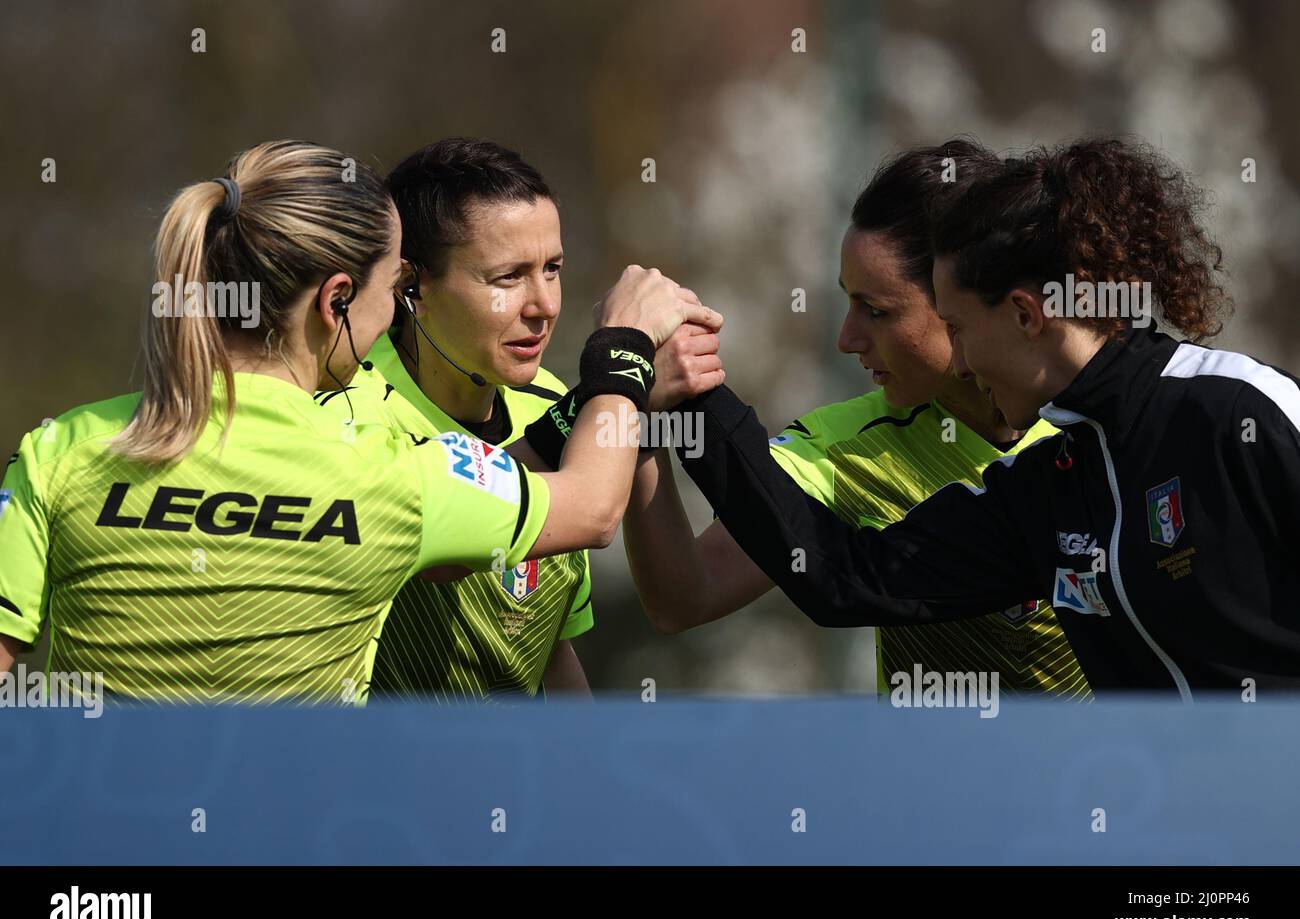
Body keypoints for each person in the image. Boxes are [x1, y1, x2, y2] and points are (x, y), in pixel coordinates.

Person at [0, 140, 719, 703]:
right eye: (392, 288)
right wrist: (623, 355)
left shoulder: (61, 447)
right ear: (337, 301)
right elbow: (591, 509)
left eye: (553, 269)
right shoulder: (385, 470)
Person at [669, 137, 1300, 697]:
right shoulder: (1048, 484)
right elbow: (848, 578)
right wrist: (697, 396)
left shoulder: (1239, 412)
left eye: (959, 328)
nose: (962, 361)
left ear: (1026, 315)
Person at [616, 141, 1089, 697]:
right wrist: (641, 414)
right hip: (930, 785)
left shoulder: (1102, 422)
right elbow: (683, 598)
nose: (847, 339)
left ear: (957, 297)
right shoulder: (848, 445)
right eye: (848, 303)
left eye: (878, 311)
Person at [315, 138, 596, 701]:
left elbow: (552, 648)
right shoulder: (346, 417)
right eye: (508, 277)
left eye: (553, 269)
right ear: (409, 286)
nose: (544, 305)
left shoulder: (550, 400)